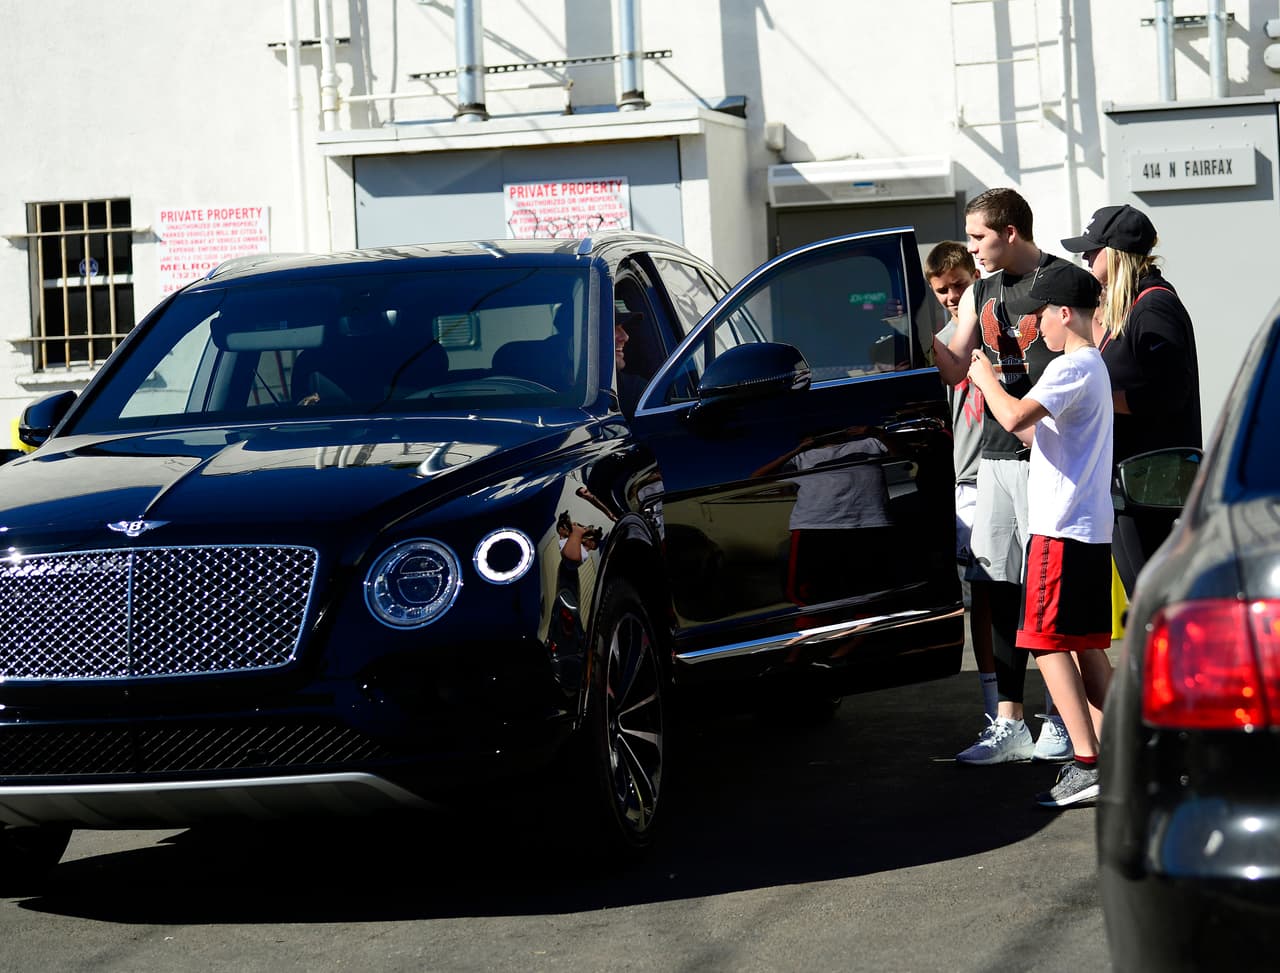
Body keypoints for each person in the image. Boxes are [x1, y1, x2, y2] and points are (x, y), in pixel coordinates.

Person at [965, 260, 1113, 807]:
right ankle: (1138, 749)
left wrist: (985, 380)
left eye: (1042, 315)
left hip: (1060, 529)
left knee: (1047, 643)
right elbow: (1037, 435)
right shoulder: (1089, 367)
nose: (1036, 328)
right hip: (1086, 529)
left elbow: (1011, 418)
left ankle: (1087, 761)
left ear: (1065, 314)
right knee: (1088, 648)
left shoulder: (1070, 366)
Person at [932, 188, 1071, 764]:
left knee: (1054, 594)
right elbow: (956, 361)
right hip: (994, 459)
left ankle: (1063, 720)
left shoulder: (1064, 283)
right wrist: (915, 336)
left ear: (1010, 232)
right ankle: (1009, 722)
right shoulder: (981, 291)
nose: (972, 250)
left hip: (1052, 459)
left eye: (979, 237)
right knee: (999, 587)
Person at [1060, 204, 1202, 595]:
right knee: (1143, 596)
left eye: (1093, 249)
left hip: (1152, 479)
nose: (1085, 257)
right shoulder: (1130, 304)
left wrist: (1101, 398)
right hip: (1130, 477)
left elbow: (1171, 393)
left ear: (1117, 252)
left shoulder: (1155, 305)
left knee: (1152, 598)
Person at [924, 242, 996, 719]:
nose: (952, 297)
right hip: (965, 481)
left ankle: (1056, 710)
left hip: (1008, 467)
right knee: (984, 595)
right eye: (942, 290)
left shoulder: (996, 330)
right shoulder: (938, 343)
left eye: (959, 286)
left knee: (1031, 591)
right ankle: (997, 703)